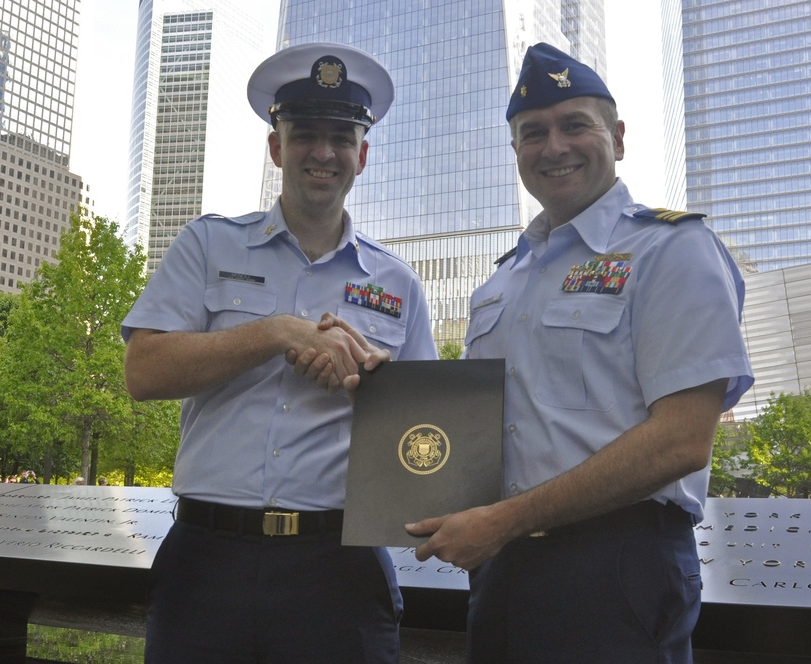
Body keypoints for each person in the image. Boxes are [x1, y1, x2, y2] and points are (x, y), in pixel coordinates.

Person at [405, 43, 755, 663]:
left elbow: (681, 440)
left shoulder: (671, 250)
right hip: (503, 566)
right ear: (516, 153)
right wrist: (371, 380)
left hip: (618, 566)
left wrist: (506, 520)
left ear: (617, 138)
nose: (554, 146)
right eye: (532, 133)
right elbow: (470, 431)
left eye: (575, 126)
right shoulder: (501, 282)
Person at [122, 42, 437, 663]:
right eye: (305, 135)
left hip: (340, 568)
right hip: (208, 559)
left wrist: (370, 378)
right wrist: (277, 333)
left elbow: (424, 434)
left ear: (362, 156)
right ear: (276, 148)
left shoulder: (398, 284)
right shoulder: (208, 244)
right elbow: (144, 371)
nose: (323, 152)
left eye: (341, 137)